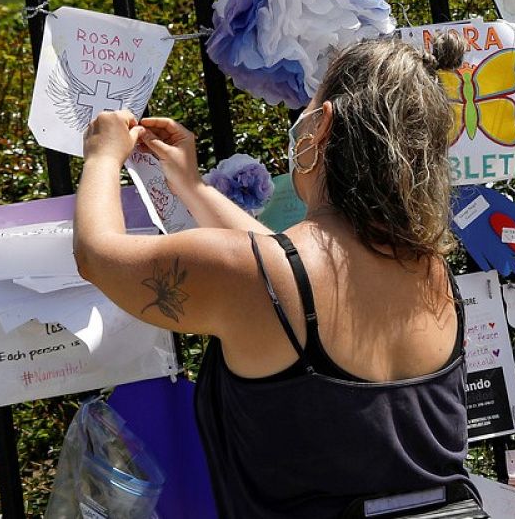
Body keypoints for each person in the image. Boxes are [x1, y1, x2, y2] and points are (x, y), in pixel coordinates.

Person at [73, 35, 477, 518]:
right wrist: (192, 187)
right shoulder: (431, 269)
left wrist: (101, 156)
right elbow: (276, 267)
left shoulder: (260, 278)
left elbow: (98, 256)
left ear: (321, 125)